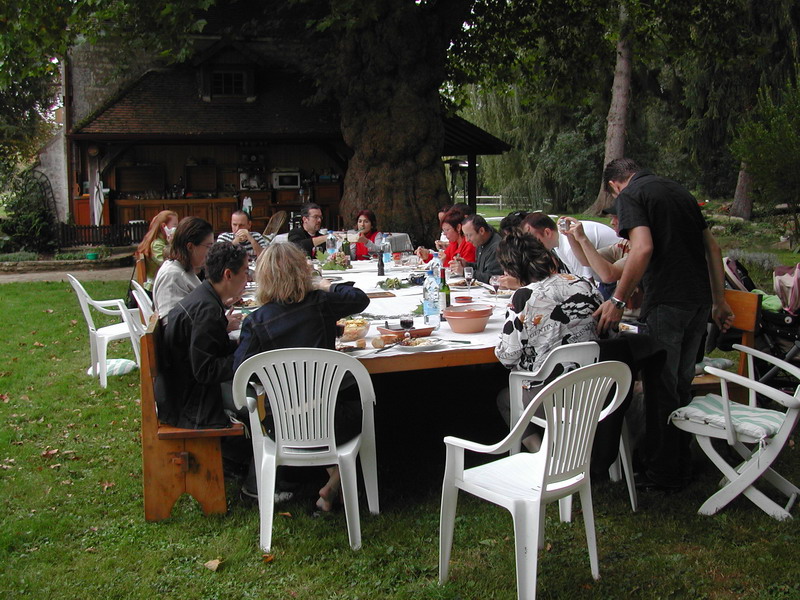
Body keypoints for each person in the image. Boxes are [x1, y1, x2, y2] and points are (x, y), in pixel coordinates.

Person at [594, 158, 734, 491]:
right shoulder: (679, 191)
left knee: (661, 387)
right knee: (682, 383)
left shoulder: (631, 195)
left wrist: (618, 299)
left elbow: (642, 248)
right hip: (698, 302)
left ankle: (663, 472)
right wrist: (718, 300)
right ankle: (682, 461)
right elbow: (713, 248)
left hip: (667, 301)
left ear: (614, 185)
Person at [233, 242, 370, 512]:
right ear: (302, 272)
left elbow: (241, 371)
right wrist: (325, 284)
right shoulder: (321, 303)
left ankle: (336, 480)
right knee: (365, 403)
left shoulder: (256, 322)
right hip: (332, 420)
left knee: (309, 407)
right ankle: (338, 479)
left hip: (281, 424)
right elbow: (359, 298)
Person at [494, 231, 602, 452]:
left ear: (512, 270)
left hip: (554, 396)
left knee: (505, 398)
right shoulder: (583, 283)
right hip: (598, 390)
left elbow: (508, 357)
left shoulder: (523, 296)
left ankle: (544, 456)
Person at [155, 242, 250, 429]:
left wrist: (239, 345)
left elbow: (211, 350)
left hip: (183, 394)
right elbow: (206, 370)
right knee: (263, 403)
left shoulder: (206, 297)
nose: (247, 279)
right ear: (228, 275)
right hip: (193, 407)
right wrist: (246, 357)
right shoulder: (207, 311)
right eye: (245, 272)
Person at [564, 205, 643, 316]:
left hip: (639, 318)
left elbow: (608, 275)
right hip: (626, 316)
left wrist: (583, 238)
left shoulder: (640, 248)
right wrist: (570, 236)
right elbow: (586, 261)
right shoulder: (625, 243)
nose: (612, 222)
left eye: (617, 217)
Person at [521, 212, 620, 280]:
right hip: (606, 276)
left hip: (616, 277)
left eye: (536, 240)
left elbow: (587, 283)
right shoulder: (559, 243)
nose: (533, 246)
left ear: (547, 232)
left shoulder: (569, 244)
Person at [152, 216, 213, 323]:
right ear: (190, 247)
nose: (210, 252)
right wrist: (219, 324)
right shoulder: (172, 276)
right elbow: (171, 324)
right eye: (208, 246)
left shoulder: (184, 269)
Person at [450, 214, 503, 283]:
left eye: (469, 235)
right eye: (465, 235)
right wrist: (467, 265)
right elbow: (481, 268)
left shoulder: (496, 247)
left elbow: (492, 278)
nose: (467, 240)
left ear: (481, 231)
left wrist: (465, 272)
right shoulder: (481, 241)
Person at [136, 210, 178, 291]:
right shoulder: (157, 244)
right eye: (175, 225)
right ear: (164, 226)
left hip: (163, 283)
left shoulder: (163, 241)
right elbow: (169, 264)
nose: (177, 228)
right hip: (156, 287)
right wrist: (172, 244)